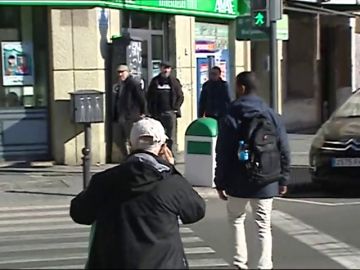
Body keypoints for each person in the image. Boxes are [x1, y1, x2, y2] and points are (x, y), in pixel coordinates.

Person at [70, 117, 206, 269]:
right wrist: (170, 169)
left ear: (130, 145)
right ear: (163, 148)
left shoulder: (103, 181)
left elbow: (79, 213)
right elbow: (196, 211)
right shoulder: (171, 183)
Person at [214, 71, 291, 270]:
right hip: (266, 179)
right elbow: (283, 148)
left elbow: (223, 150)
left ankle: (240, 263)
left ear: (241, 88)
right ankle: (264, 266)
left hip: (237, 179)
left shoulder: (231, 114)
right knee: (263, 225)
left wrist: (219, 181)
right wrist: (283, 178)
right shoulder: (270, 114)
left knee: (236, 220)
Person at [147, 62, 184, 151]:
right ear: (160, 68)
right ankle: (159, 154)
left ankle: (171, 154)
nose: (165, 70)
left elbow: (180, 96)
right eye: (164, 68)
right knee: (158, 136)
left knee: (170, 136)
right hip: (158, 113)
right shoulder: (155, 81)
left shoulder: (174, 81)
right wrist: (151, 111)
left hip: (170, 113)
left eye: (168, 68)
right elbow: (149, 97)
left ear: (170, 69)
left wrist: (175, 108)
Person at [112, 64, 146, 159]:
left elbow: (141, 99)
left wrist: (142, 112)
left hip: (130, 116)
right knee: (118, 139)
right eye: (118, 72)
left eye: (122, 72)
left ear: (128, 72)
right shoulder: (119, 84)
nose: (120, 74)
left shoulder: (133, 83)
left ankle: (134, 158)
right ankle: (127, 157)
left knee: (131, 139)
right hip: (120, 116)